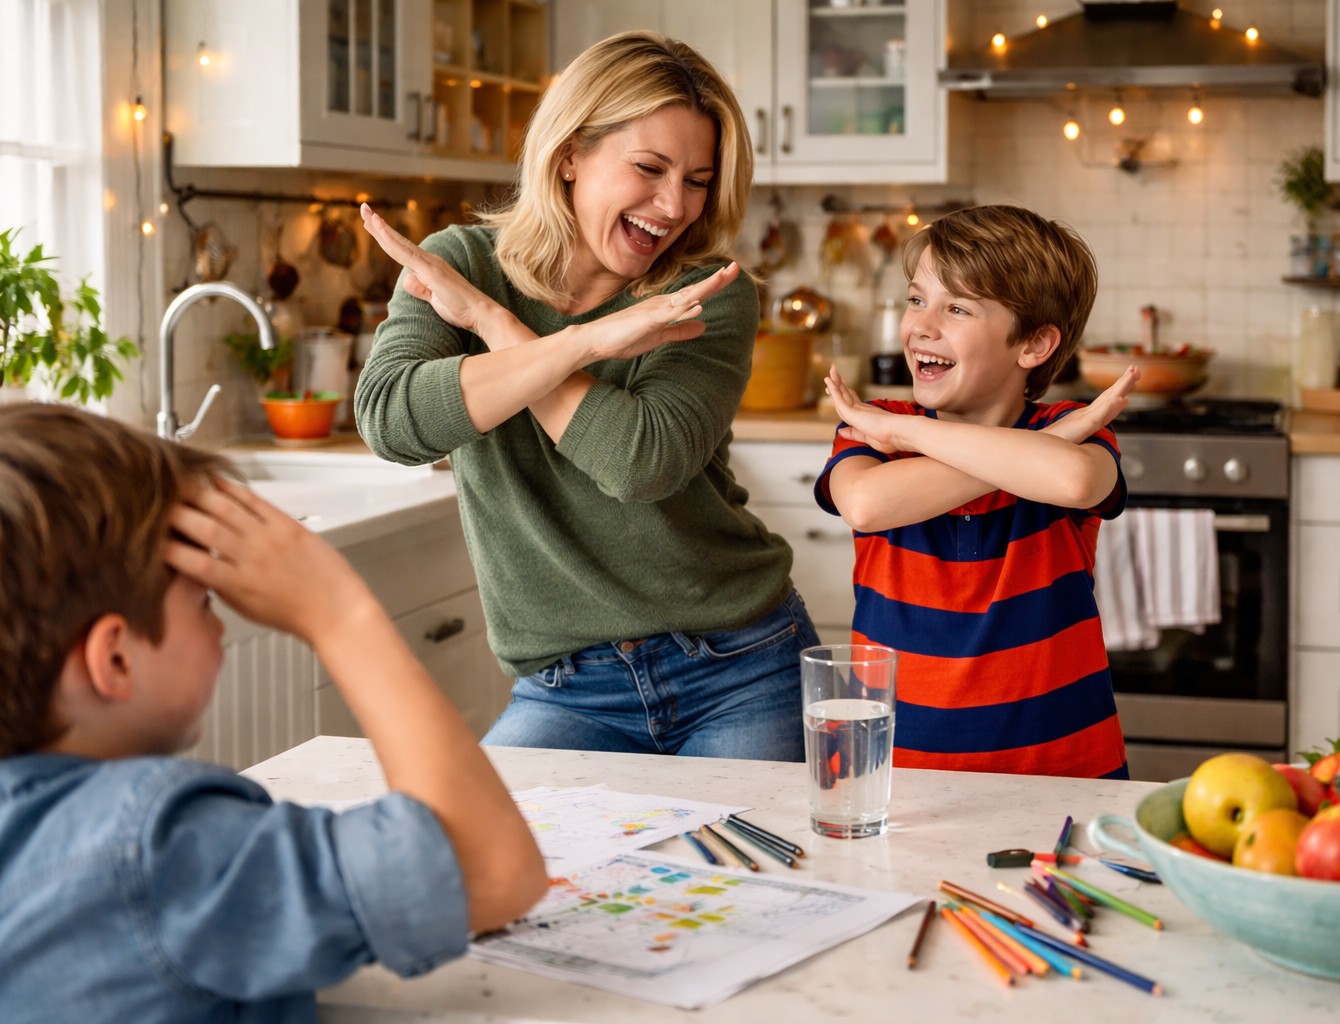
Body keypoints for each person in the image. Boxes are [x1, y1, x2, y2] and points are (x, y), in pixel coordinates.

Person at [0, 403, 547, 1023]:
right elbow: (491, 871)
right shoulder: (163, 854)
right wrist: (340, 615)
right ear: (116, 661)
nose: (219, 625)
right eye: (206, 604)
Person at [354, 31, 815, 762]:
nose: (675, 205)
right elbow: (391, 422)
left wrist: (491, 326)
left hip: (739, 665)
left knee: (740, 875)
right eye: (650, 168)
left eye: (698, 179)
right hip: (569, 688)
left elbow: (641, 463)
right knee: (491, 861)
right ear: (570, 153)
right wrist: (581, 343)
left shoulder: (705, 294)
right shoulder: (463, 263)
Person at [817, 204, 1139, 779]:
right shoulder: (873, 426)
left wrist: (909, 432)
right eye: (917, 299)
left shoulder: (1062, 428)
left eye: (957, 308)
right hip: (898, 779)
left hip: (1061, 778)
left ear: (1035, 345)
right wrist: (900, 428)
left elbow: (1076, 480)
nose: (922, 324)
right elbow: (866, 503)